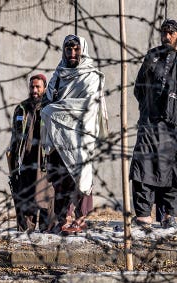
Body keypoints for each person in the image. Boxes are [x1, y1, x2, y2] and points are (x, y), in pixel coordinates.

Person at [130, 19, 177, 229]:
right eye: (164, 32)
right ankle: (143, 215)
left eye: (171, 32)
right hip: (151, 124)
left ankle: (169, 215)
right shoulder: (152, 57)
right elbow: (139, 89)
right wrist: (150, 107)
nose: (167, 36)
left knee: (174, 168)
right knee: (144, 165)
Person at [41, 34, 108, 235]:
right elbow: (47, 102)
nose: (72, 53)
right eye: (68, 49)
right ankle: (64, 218)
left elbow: (86, 107)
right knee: (61, 180)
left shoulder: (90, 75)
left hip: (80, 136)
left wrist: (56, 110)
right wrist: (53, 110)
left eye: (76, 49)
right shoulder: (59, 75)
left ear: (83, 50)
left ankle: (80, 218)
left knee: (80, 177)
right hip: (59, 138)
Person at [7, 74, 54, 232]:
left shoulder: (50, 108)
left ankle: (48, 232)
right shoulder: (21, 108)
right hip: (25, 161)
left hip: (45, 161)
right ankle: (26, 231)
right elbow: (15, 136)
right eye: (32, 87)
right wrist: (13, 160)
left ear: (45, 88)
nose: (34, 90)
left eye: (38, 87)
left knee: (47, 198)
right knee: (25, 198)